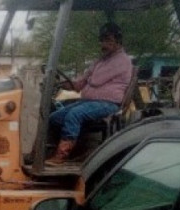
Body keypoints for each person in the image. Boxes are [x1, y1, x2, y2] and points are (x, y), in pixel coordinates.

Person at [46, 22, 133, 165]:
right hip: (89, 102)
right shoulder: (102, 60)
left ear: (118, 41)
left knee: (75, 114)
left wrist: (88, 77)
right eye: (103, 40)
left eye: (108, 40)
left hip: (109, 104)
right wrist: (63, 83)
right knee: (55, 117)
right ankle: (73, 151)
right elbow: (80, 84)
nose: (104, 44)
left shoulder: (122, 60)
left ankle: (62, 155)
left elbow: (96, 79)